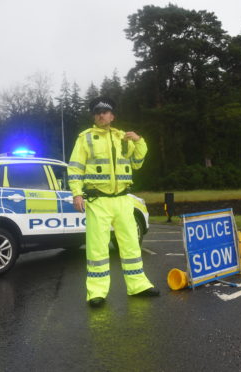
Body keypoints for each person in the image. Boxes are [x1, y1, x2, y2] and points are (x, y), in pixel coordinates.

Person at [68, 96, 159, 307]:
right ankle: (96, 292)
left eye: (105, 111)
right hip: (98, 200)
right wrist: (76, 193)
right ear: (94, 116)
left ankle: (138, 285)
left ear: (112, 116)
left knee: (130, 245)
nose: (101, 114)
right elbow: (75, 168)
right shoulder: (85, 138)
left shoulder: (122, 137)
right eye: (97, 112)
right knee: (97, 249)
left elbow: (137, 163)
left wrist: (139, 141)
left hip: (122, 199)